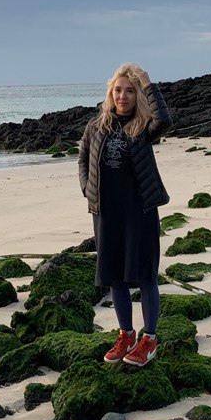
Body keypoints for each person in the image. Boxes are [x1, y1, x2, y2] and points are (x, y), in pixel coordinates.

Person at [78, 63, 173, 366]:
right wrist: (87, 188)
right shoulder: (96, 126)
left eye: (129, 91)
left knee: (145, 275)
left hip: (139, 211)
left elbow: (165, 120)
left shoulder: (144, 126)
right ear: (110, 92)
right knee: (114, 277)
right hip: (106, 213)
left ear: (137, 95)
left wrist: (147, 82)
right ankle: (126, 335)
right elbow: (82, 159)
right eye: (118, 90)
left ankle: (150, 339)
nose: (123, 96)